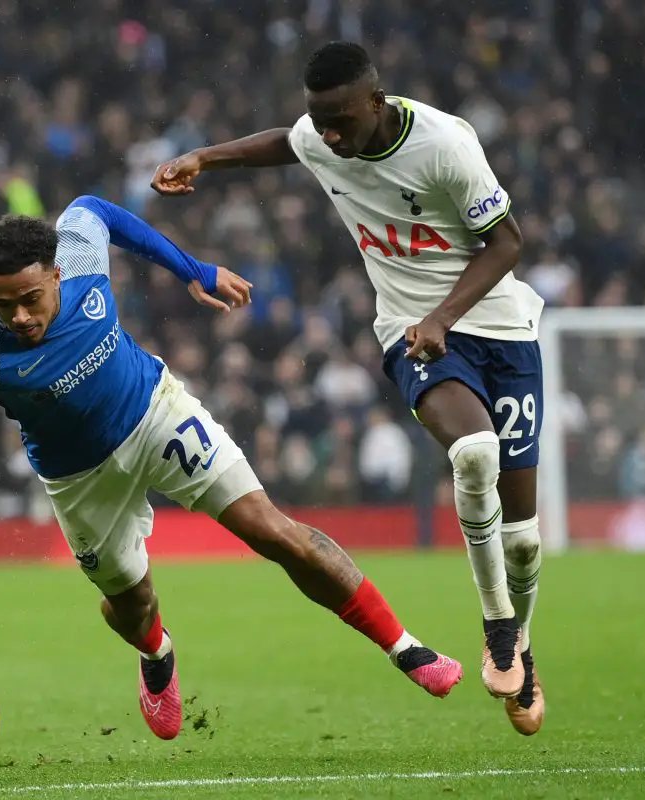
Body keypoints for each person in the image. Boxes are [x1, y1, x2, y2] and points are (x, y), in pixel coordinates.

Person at [0, 195, 463, 741]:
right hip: (79, 480)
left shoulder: (81, 249)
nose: (18, 316)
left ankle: (403, 647)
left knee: (276, 533)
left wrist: (193, 270)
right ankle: (157, 655)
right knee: (133, 602)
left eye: (31, 299)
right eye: (3, 302)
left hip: (156, 414)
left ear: (58, 273)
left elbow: (98, 208)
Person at [150, 41, 546, 735]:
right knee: (473, 454)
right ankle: (498, 627)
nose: (327, 135)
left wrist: (445, 316)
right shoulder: (323, 134)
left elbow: (508, 243)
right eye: (318, 119)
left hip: (498, 328)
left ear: (375, 101)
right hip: (410, 331)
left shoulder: (445, 145)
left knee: (524, 538)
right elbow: (286, 143)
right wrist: (204, 158)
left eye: (339, 120)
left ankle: (523, 645)